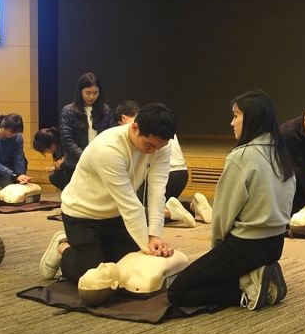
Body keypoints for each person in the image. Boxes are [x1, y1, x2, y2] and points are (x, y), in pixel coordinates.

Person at [167, 90, 295, 311]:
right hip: (274, 245)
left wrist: (217, 250)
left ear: (252, 119)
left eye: (236, 115)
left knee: (177, 292)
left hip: (244, 247)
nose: (231, 122)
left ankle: (248, 289)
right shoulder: (281, 154)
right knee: (211, 278)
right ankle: (256, 275)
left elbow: (223, 214)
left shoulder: (241, 157)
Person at [39, 103, 176, 281]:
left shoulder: (161, 147)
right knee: (93, 274)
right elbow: (129, 204)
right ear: (135, 128)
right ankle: (62, 246)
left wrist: (155, 235)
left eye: (158, 147)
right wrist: (148, 245)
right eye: (149, 145)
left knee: (127, 267)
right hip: (82, 215)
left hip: (115, 216)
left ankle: (94, 248)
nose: (153, 151)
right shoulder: (108, 149)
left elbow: (157, 192)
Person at [115, 100, 209, 226]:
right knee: (155, 204)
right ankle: (192, 206)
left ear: (123, 118)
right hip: (182, 173)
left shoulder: (137, 129)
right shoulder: (159, 123)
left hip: (166, 173)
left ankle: (168, 212)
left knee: (133, 212)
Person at [59, 72, 114, 179]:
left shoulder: (106, 110)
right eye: (87, 93)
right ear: (80, 92)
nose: (92, 97)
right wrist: (85, 157)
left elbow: (110, 136)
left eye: (96, 93)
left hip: (100, 163)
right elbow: (67, 139)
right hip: (75, 164)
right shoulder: (68, 110)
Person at [0, 113, 30, 188]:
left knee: (13, 188)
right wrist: (13, 175)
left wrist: (21, 176)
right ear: (3, 127)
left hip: (8, 170)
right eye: (12, 132)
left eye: (16, 132)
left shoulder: (18, 137)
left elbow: (18, 158)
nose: (14, 135)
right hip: (4, 170)